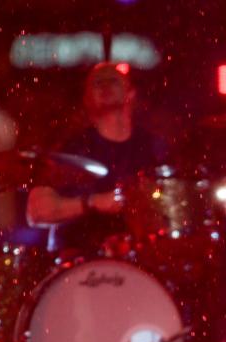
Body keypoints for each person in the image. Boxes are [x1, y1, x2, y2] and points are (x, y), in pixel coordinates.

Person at [26, 62, 168, 252]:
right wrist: (92, 203)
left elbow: (170, 209)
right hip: (78, 260)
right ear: (86, 99)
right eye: (97, 83)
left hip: (137, 261)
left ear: (131, 93)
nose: (105, 86)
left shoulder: (153, 148)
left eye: (113, 81)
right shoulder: (71, 149)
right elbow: (36, 213)